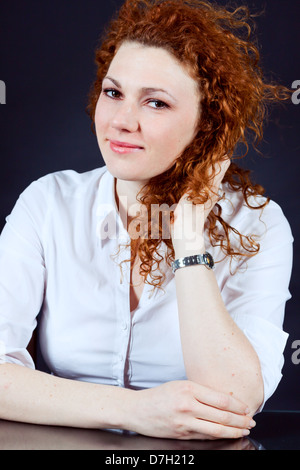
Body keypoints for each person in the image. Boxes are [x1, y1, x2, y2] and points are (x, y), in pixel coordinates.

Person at [0, 0, 293, 441]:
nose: (121, 121)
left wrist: (190, 241)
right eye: (113, 93)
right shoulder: (48, 204)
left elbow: (234, 400)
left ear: (206, 125)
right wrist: (136, 410)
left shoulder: (260, 225)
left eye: (155, 103)